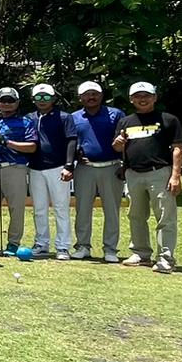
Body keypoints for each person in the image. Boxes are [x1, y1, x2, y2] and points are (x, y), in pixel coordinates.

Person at [115, 82, 182, 274]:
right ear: (131, 99)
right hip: (133, 174)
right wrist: (118, 143)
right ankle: (141, 253)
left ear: (155, 97)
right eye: (138, 96)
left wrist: (175, 176)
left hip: (159, 173)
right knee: (136, 215)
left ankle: (166, 258)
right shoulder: (125, 122)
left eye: (146, 95)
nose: (142, 99)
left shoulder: (168, 120)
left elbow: (177, 149)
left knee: (165, 216)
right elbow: (118, 148)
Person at [0, 87, 37, 256]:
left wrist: (8, 143)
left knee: (16, 208)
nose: (6, 104)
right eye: (3, 100)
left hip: (15, 168)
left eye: (11, 100)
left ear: (17, 103)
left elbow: (32, 147)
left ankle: (13, 243)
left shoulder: (25, 122)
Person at [70, 81, 126, 262]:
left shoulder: (116, 114)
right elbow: (71, 142)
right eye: (87, 94)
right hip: (85, 168)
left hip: (112, 167)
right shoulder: (74, 117)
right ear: (80, 98)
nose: (91, 97)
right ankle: (82, 246)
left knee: (112, 211)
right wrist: (75, 156)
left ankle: (110, 249)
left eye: (94, 93)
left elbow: (126, 141)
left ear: (101, 96)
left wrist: (125, 165)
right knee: (82, 210)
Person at [25, 83, 77, 260]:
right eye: (38, 97)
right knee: (39, 209)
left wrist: (68, 165)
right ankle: (41, 243)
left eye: (46, 97)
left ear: (53, 98)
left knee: (61, 208)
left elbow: (71, 140)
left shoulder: (64, 117)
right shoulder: (29, 117)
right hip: (35, 168)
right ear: (33, 99)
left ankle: (63, 247)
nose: (42, 100)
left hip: (58, 168)